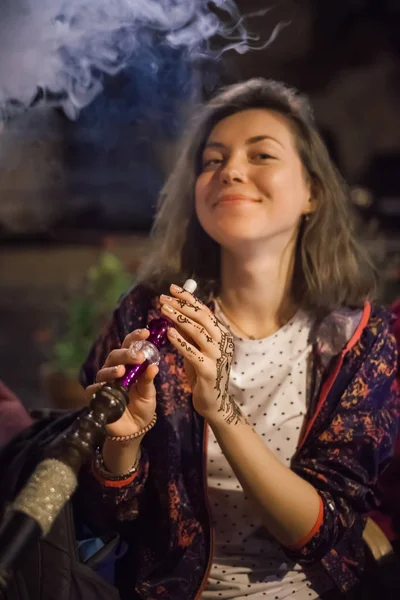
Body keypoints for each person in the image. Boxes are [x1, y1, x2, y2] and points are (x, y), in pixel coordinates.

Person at [4, 78, 398, 600]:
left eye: (262, 155)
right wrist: (125, 438)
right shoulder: (152, 314)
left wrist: (222, 411)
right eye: (212, 160)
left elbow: (320, 533)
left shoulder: (361, 340)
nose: (231, 170)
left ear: (312, 193)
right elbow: (108, 517)